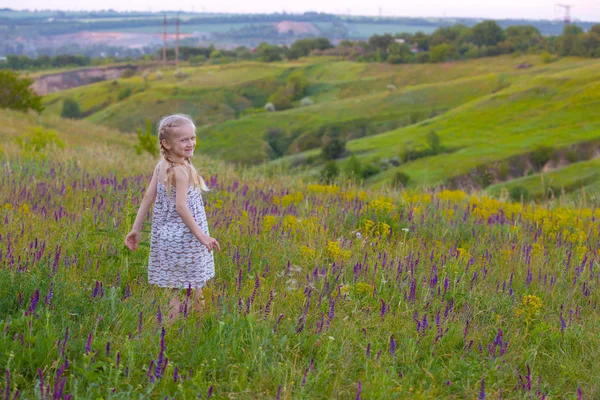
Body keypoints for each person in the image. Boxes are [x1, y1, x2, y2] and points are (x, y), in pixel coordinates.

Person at [125, 114, 220, 321]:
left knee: (175, 292)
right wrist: (202, 236)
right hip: (186, 241)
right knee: (194, 288)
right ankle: (197, 329)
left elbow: (149, 196)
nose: (191, 143)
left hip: (166, 239)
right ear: (166, 143)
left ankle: (170, 332)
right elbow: (181, 207)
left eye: (192, 138)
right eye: (184, 139)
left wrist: (136, 228)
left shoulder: (161, 166)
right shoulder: (181, 171)